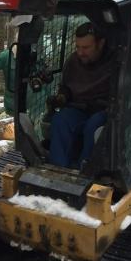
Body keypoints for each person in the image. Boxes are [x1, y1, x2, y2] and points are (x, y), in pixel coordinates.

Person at [47, 22, 114, 168]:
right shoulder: (73, 62)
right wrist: (61, 97)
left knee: (93, 125)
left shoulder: (114, 63)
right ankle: (59, 169)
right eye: (77, 47)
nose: (80, 52)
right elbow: (65, 88)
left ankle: (84, 170)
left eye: (86, 48)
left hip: (103, 111)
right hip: (78, 109)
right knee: (60, 120)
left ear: (101, 44)